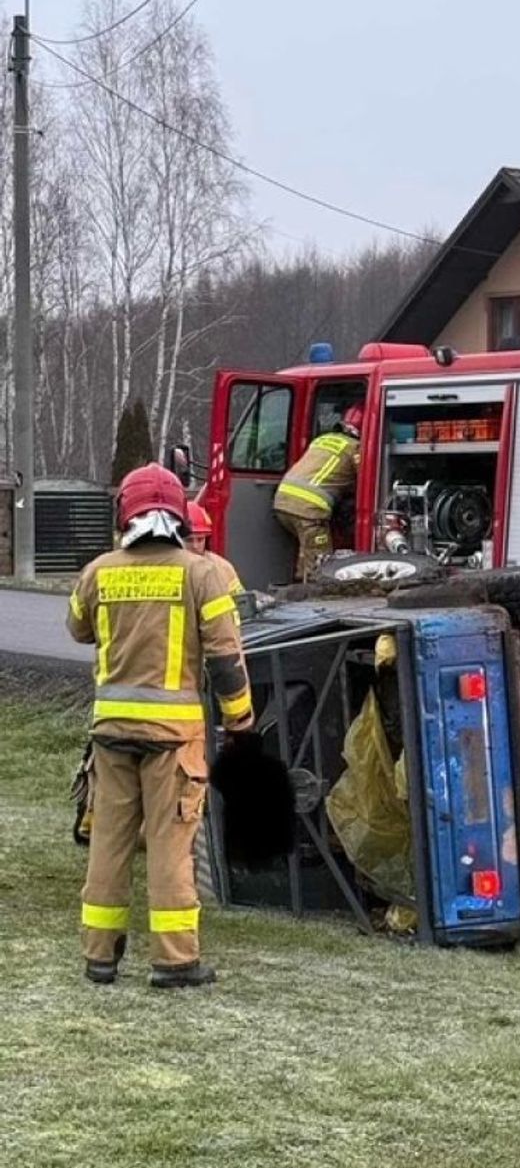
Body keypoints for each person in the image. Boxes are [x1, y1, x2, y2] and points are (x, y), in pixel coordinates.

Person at [66, 463, 254, 989]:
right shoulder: (202, 572)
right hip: (173, 740)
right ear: (177, 514)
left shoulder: (99, 571)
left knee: (108, 843)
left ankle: (99, 956)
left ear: (123, 512)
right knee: (171, 847)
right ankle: (175, 960)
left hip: (110, 732)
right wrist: (241, 720)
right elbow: (225, 658)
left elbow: (79, 628)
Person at [272, 403, 363, 581]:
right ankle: (312, 601)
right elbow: (367, 480)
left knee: (307, 553)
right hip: (309, 510)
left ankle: (299, 585)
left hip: (282, 503)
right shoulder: (355, 448)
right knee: (321, 565)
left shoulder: (322, 439)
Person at [186, 502, 243, 598]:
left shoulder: (223, 567)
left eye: (200, 539)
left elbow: (240, 600)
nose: (195, 546)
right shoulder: (168, 566)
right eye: (189, 540)